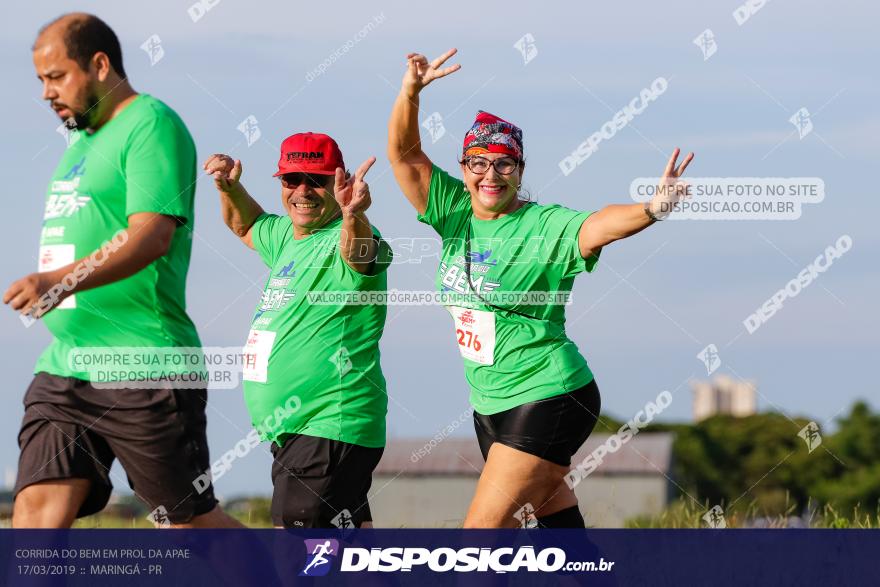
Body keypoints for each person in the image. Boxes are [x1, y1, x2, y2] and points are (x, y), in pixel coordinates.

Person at [387, 48, 694, 528]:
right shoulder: (453, 212)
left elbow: (599, 225)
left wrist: (651, 208)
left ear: (521, 170)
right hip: (490, 405)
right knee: (561, 540)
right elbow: (405, 156)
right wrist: (410, 93)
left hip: (549, 395)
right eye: (479, 163)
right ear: (464, 167)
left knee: (480, 539)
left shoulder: (543, 225)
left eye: (505, 164)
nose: (491, 175)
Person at [2, 13, 240, 528]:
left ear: (100, 64)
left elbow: (152, 236)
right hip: (66, 366)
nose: (46, 93)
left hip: (142, 363)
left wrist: (56, 281)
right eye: (40, 80)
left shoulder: (151, 123)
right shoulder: (80, 146)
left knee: (189, 527)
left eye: (56, 76)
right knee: (34, 517)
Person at [203, 131, 392, 528]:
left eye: (316, 181)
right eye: (292, 180)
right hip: (299, 435)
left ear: (337, 184)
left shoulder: (352, 237)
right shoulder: (288, 237)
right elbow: (245, 225)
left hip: (329, 426)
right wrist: (228, 188)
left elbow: (360, 255)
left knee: (296, 555)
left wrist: (353, 215)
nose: (302, 191)